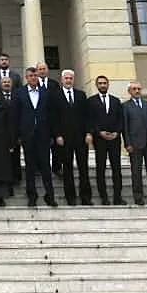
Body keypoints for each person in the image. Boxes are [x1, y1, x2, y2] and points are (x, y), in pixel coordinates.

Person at [16, 67, 57, 206]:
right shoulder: (19, 93)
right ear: (26, 77)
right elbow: (17, 115)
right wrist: (19, 135)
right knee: (30, 167)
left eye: (35, 75)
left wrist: (52, 134)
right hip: (27, 135)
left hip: (43, 135)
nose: (33, 77)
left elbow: (51, 114)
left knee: (46, 166)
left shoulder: (46, 93)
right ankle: (32, 196)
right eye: (30, 75)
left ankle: (50, 195)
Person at [52, 69, 92, 205]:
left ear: (73, 80)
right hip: (64, 139)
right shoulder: (56, 96)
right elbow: (54, 118)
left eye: (70, 78)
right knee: (67, 168)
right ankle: (71, 198)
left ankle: (86, 197)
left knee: (83, 168)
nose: (68, 80)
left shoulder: (81, 95)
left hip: (81, 138)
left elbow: (87, 116)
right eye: (66, 78)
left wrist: (88, 133)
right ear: (62, 80)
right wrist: (57, 135)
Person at [87, 74, 124, 205]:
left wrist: (117, 132)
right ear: (97, 85)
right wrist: (98, 132)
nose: (103, 85)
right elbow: (90, 119)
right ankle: (104, 197)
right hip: (100, 140)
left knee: (116, 168)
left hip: (114, 139)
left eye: (105, 83)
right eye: (100, 83)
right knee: (100, 168)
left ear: (108, 85)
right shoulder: (91, 101)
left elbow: (121, 119)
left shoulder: (115, 101)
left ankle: (117, 197)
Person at [123, 80, 147, 205]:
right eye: (134, 89)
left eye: (139, 89)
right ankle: (138, 197)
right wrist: (127, 143)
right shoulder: (125, 106)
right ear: (129, 91)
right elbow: (125, 127)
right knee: (136, 172)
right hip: (135, 145)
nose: (137, 91)